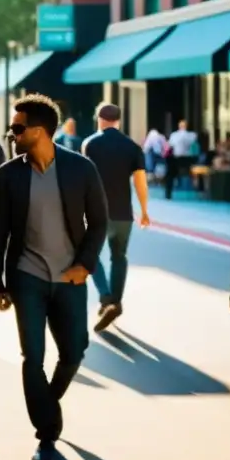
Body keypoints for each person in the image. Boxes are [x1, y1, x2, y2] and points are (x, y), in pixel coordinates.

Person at [0, 94, 109, 460]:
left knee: (74, 351)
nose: (12, 133)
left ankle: (47, 402)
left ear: (39, 131)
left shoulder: (81, 169)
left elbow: (99, 222)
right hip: (27, 278)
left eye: (18, 128)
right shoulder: (9, 174)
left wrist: (85, 266)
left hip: (70, 278)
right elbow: (0, 232)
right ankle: (46, 433)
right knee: (32, 357)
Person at [82, 103, 150, 332]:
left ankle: (106, 297)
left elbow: (85, 181)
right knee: (119, 257)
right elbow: (140, 181)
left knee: (90, 255)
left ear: (100, 119)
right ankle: (116, 302)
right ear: (119, 121)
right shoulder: (132, 147)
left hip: (97, 213)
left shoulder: (89, 144)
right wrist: (144, 211)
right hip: (123, 214)